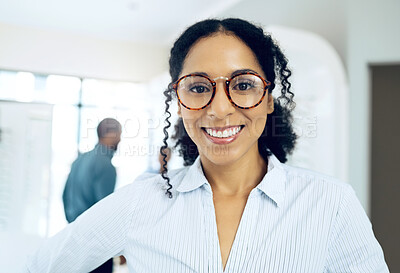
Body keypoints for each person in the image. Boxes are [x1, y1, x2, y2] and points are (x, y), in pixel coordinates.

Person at [25, 18, 389, 273]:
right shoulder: (140, 204)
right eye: (199, 88)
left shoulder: (331, 204)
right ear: (179, 101)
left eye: (243, 85)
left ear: (267, 99)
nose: (218, 108)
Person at [62, 118, 122, 273]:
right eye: (119, 134)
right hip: (96, 248)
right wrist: (119, 248)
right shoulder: (106, 165)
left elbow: (64, 196)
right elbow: (105, 211)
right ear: (110, 134)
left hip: (74, 241)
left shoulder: (79, 160)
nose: (120, 140)